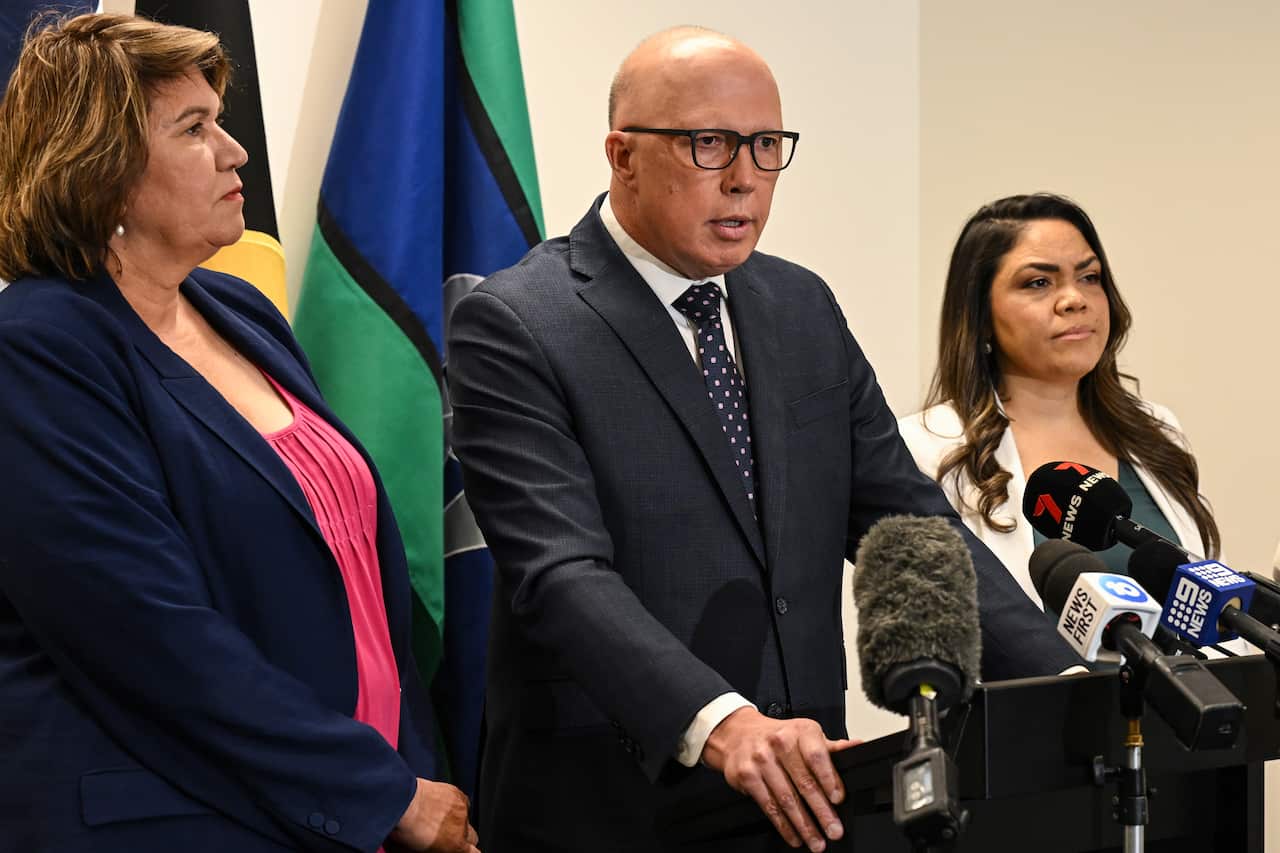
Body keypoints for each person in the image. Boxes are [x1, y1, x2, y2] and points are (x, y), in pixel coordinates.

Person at [447, 27, 1077, 853]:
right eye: (709, 144)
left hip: (808, 795)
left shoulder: (800, 307)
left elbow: (913, 523)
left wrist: (1066, 684)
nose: (745, 176)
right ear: (622, 154)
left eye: (767, 145)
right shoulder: (518, 323)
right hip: (616, 804)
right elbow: (560, 574)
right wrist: (722, 722)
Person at [0, 14, 477, 852]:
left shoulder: (242, 310)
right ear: (101, 168)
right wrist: (379, 791)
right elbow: (146, 633)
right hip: (172, 817)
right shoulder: (38, 345)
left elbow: (362, 580)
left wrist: (398, 775)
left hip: (332, 805)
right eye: (194, 128)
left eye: (220, 121)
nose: (235, 150)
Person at [899, 193, 1220, 607]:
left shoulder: (1157, 429)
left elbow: (1217, 605)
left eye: (1089, 277)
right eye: (1038, 282)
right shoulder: (926, 449)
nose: (1075, 299)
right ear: (979, 315)